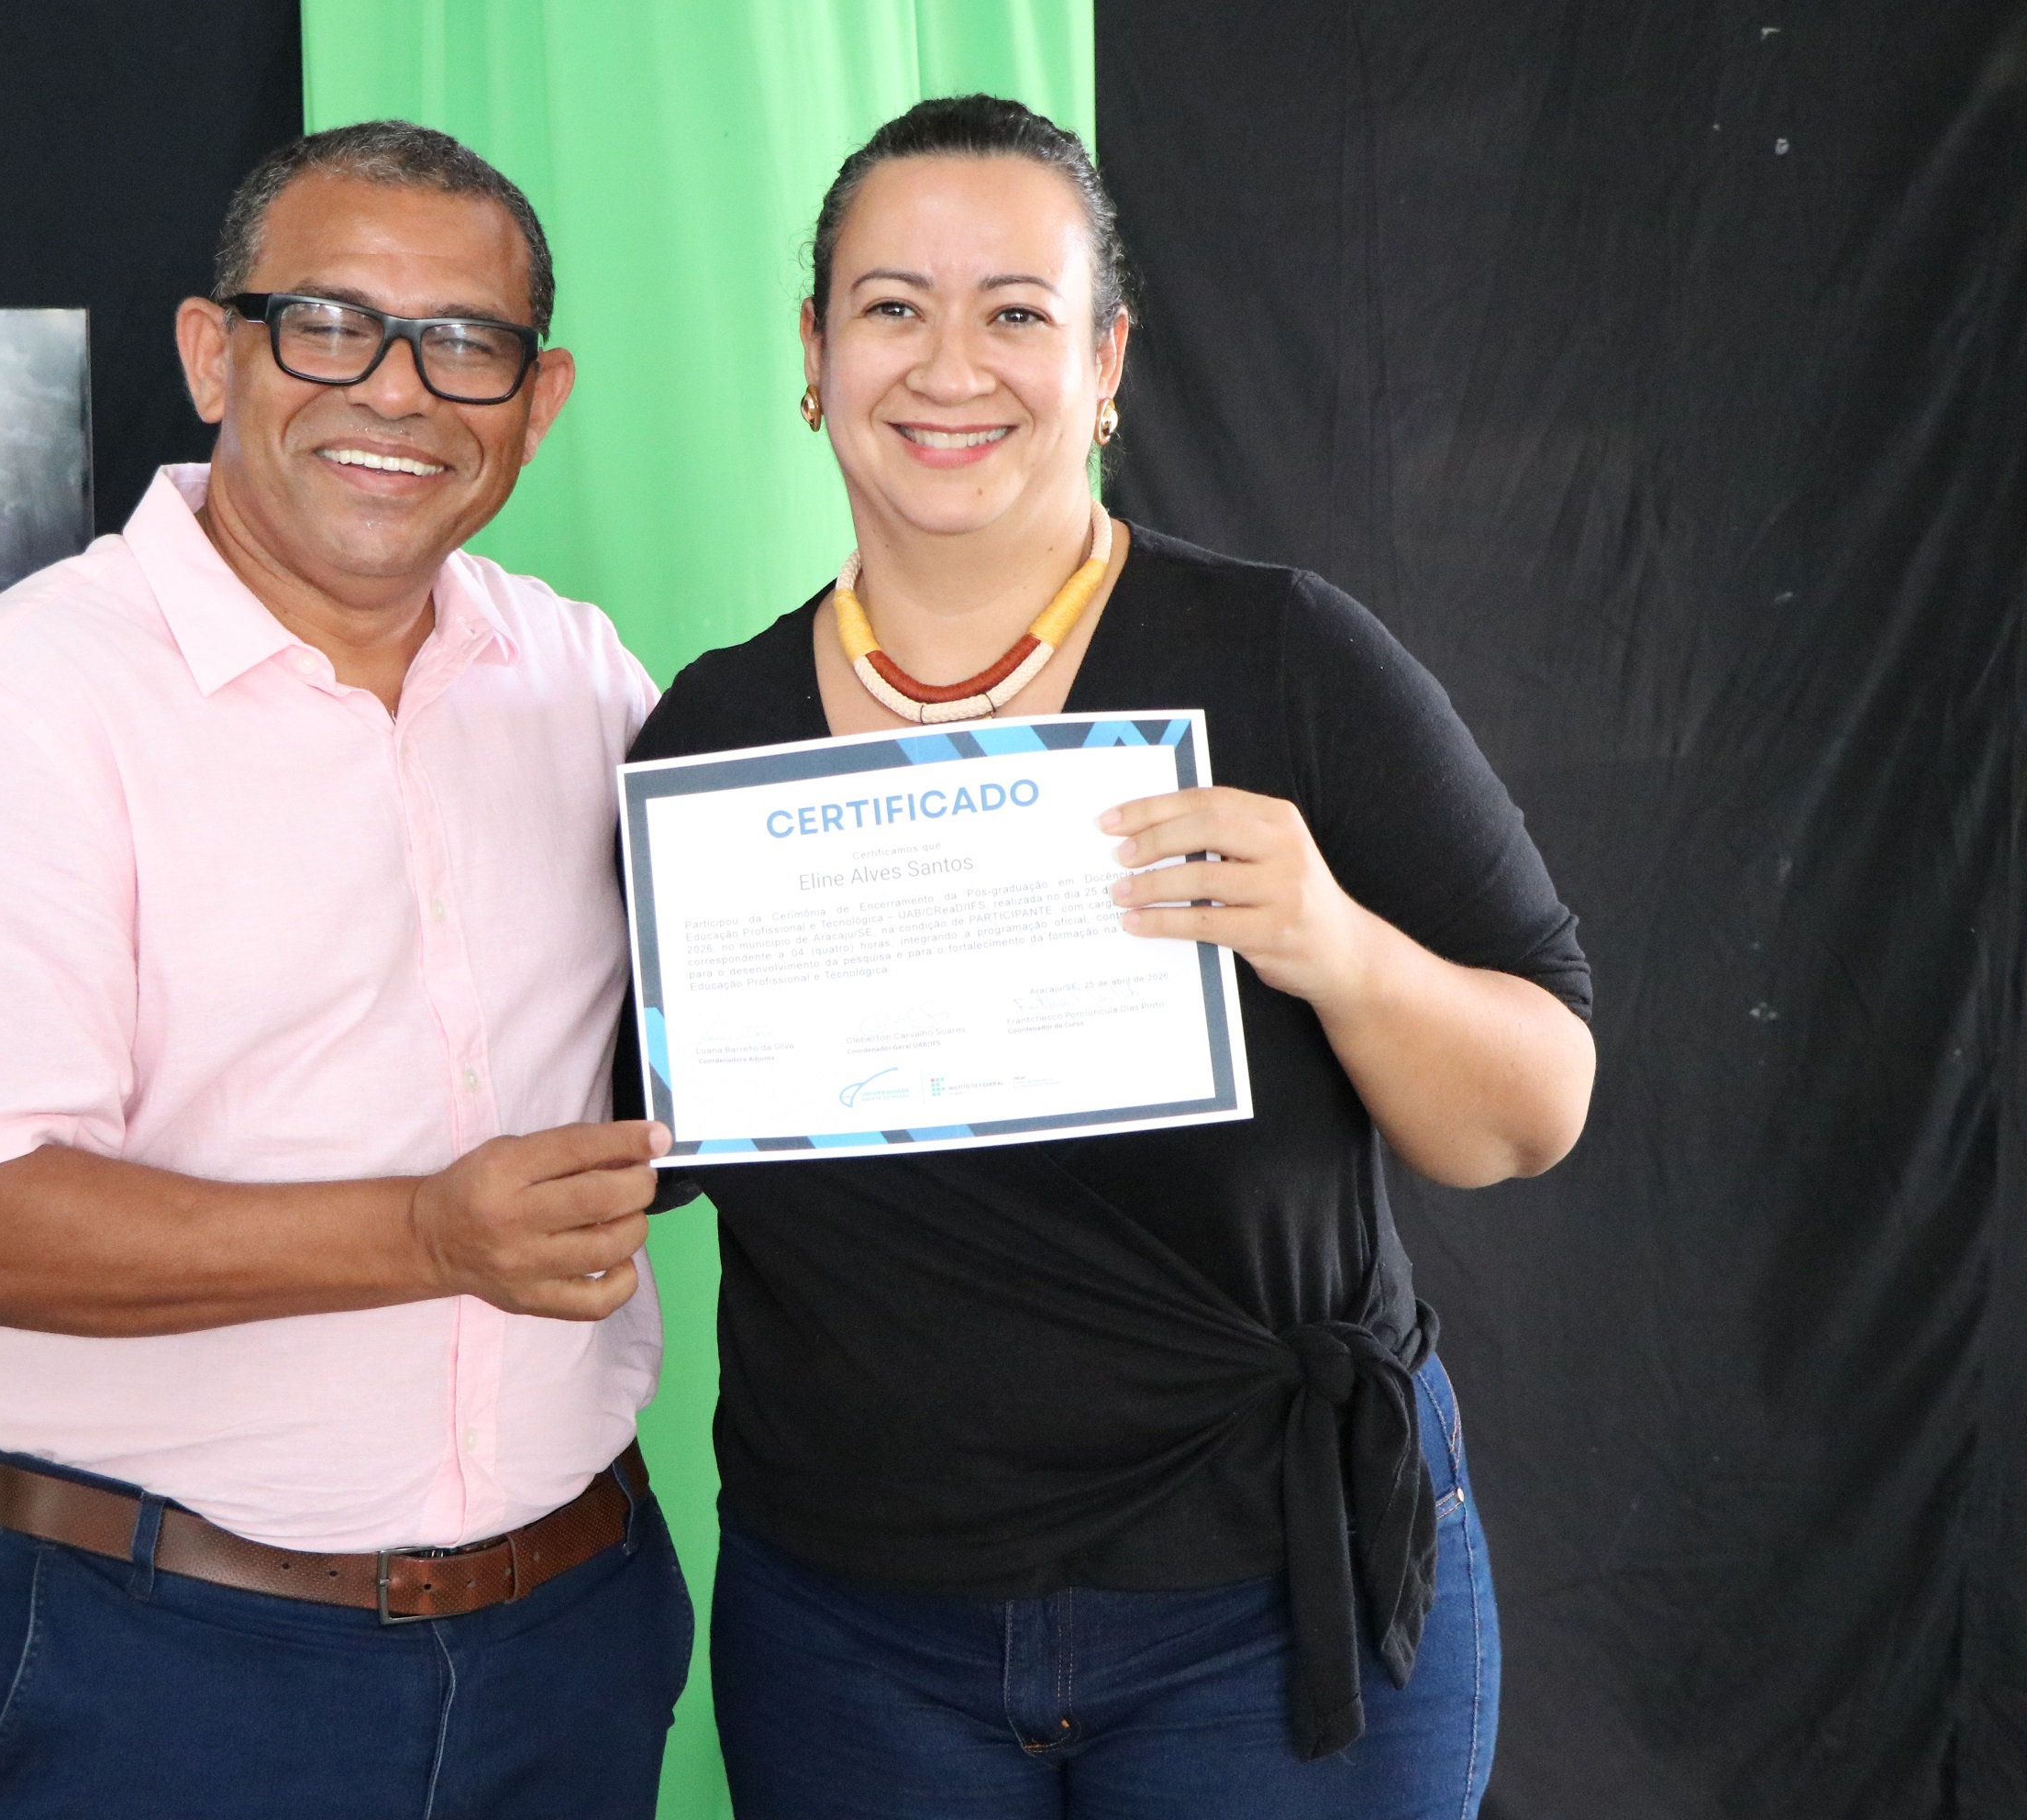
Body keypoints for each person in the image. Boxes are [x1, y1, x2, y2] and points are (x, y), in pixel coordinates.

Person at [628, 96, 1596, 1818]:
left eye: (1016, 310)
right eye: (892, 307)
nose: (950, 366)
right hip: (856, 1631)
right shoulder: (715, 742)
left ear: (1106, 363)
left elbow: (1530, 1114)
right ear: (815, 354)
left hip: (1264, 1602)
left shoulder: (1284, 660)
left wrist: (1337, 946)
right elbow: (645, 1144)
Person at [0, 122, 691, 1820]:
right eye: (329, 324)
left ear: (538, 400)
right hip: (174, 1670)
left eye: (463, 343)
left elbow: (753, 1013)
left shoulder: (580, 675)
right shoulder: (31, 698)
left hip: (575, 1634)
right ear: (212, 355)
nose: (397, 391)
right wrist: (428, 1233)